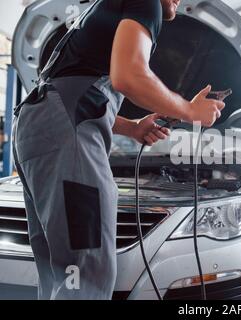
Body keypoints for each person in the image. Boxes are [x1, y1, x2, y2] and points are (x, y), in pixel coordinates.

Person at [12, 0, 225, 300]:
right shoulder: (147, 2)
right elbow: (129, 75)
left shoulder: (99, 10)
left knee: (62, 270)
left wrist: (133, 127)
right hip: (63, 133)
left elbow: (73, 90)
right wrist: (191, 111)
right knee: (87, 269)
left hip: (38, 129)